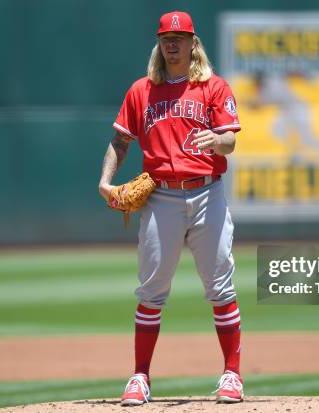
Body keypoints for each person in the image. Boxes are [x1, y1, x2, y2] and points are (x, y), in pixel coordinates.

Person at [98, 11, 243, 406]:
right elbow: (120, 141)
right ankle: (139, 378)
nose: (173, 43)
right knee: (152, 292)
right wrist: (106, 180)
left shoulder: (214, 88)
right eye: (167, 37)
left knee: (220, 288)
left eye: (180, 37)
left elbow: (231, 141)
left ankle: (232, 374)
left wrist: (217, 139)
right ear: (159, 44)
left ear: (194, 42)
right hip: (160, 197)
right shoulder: (141, 91)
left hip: (207, 194)